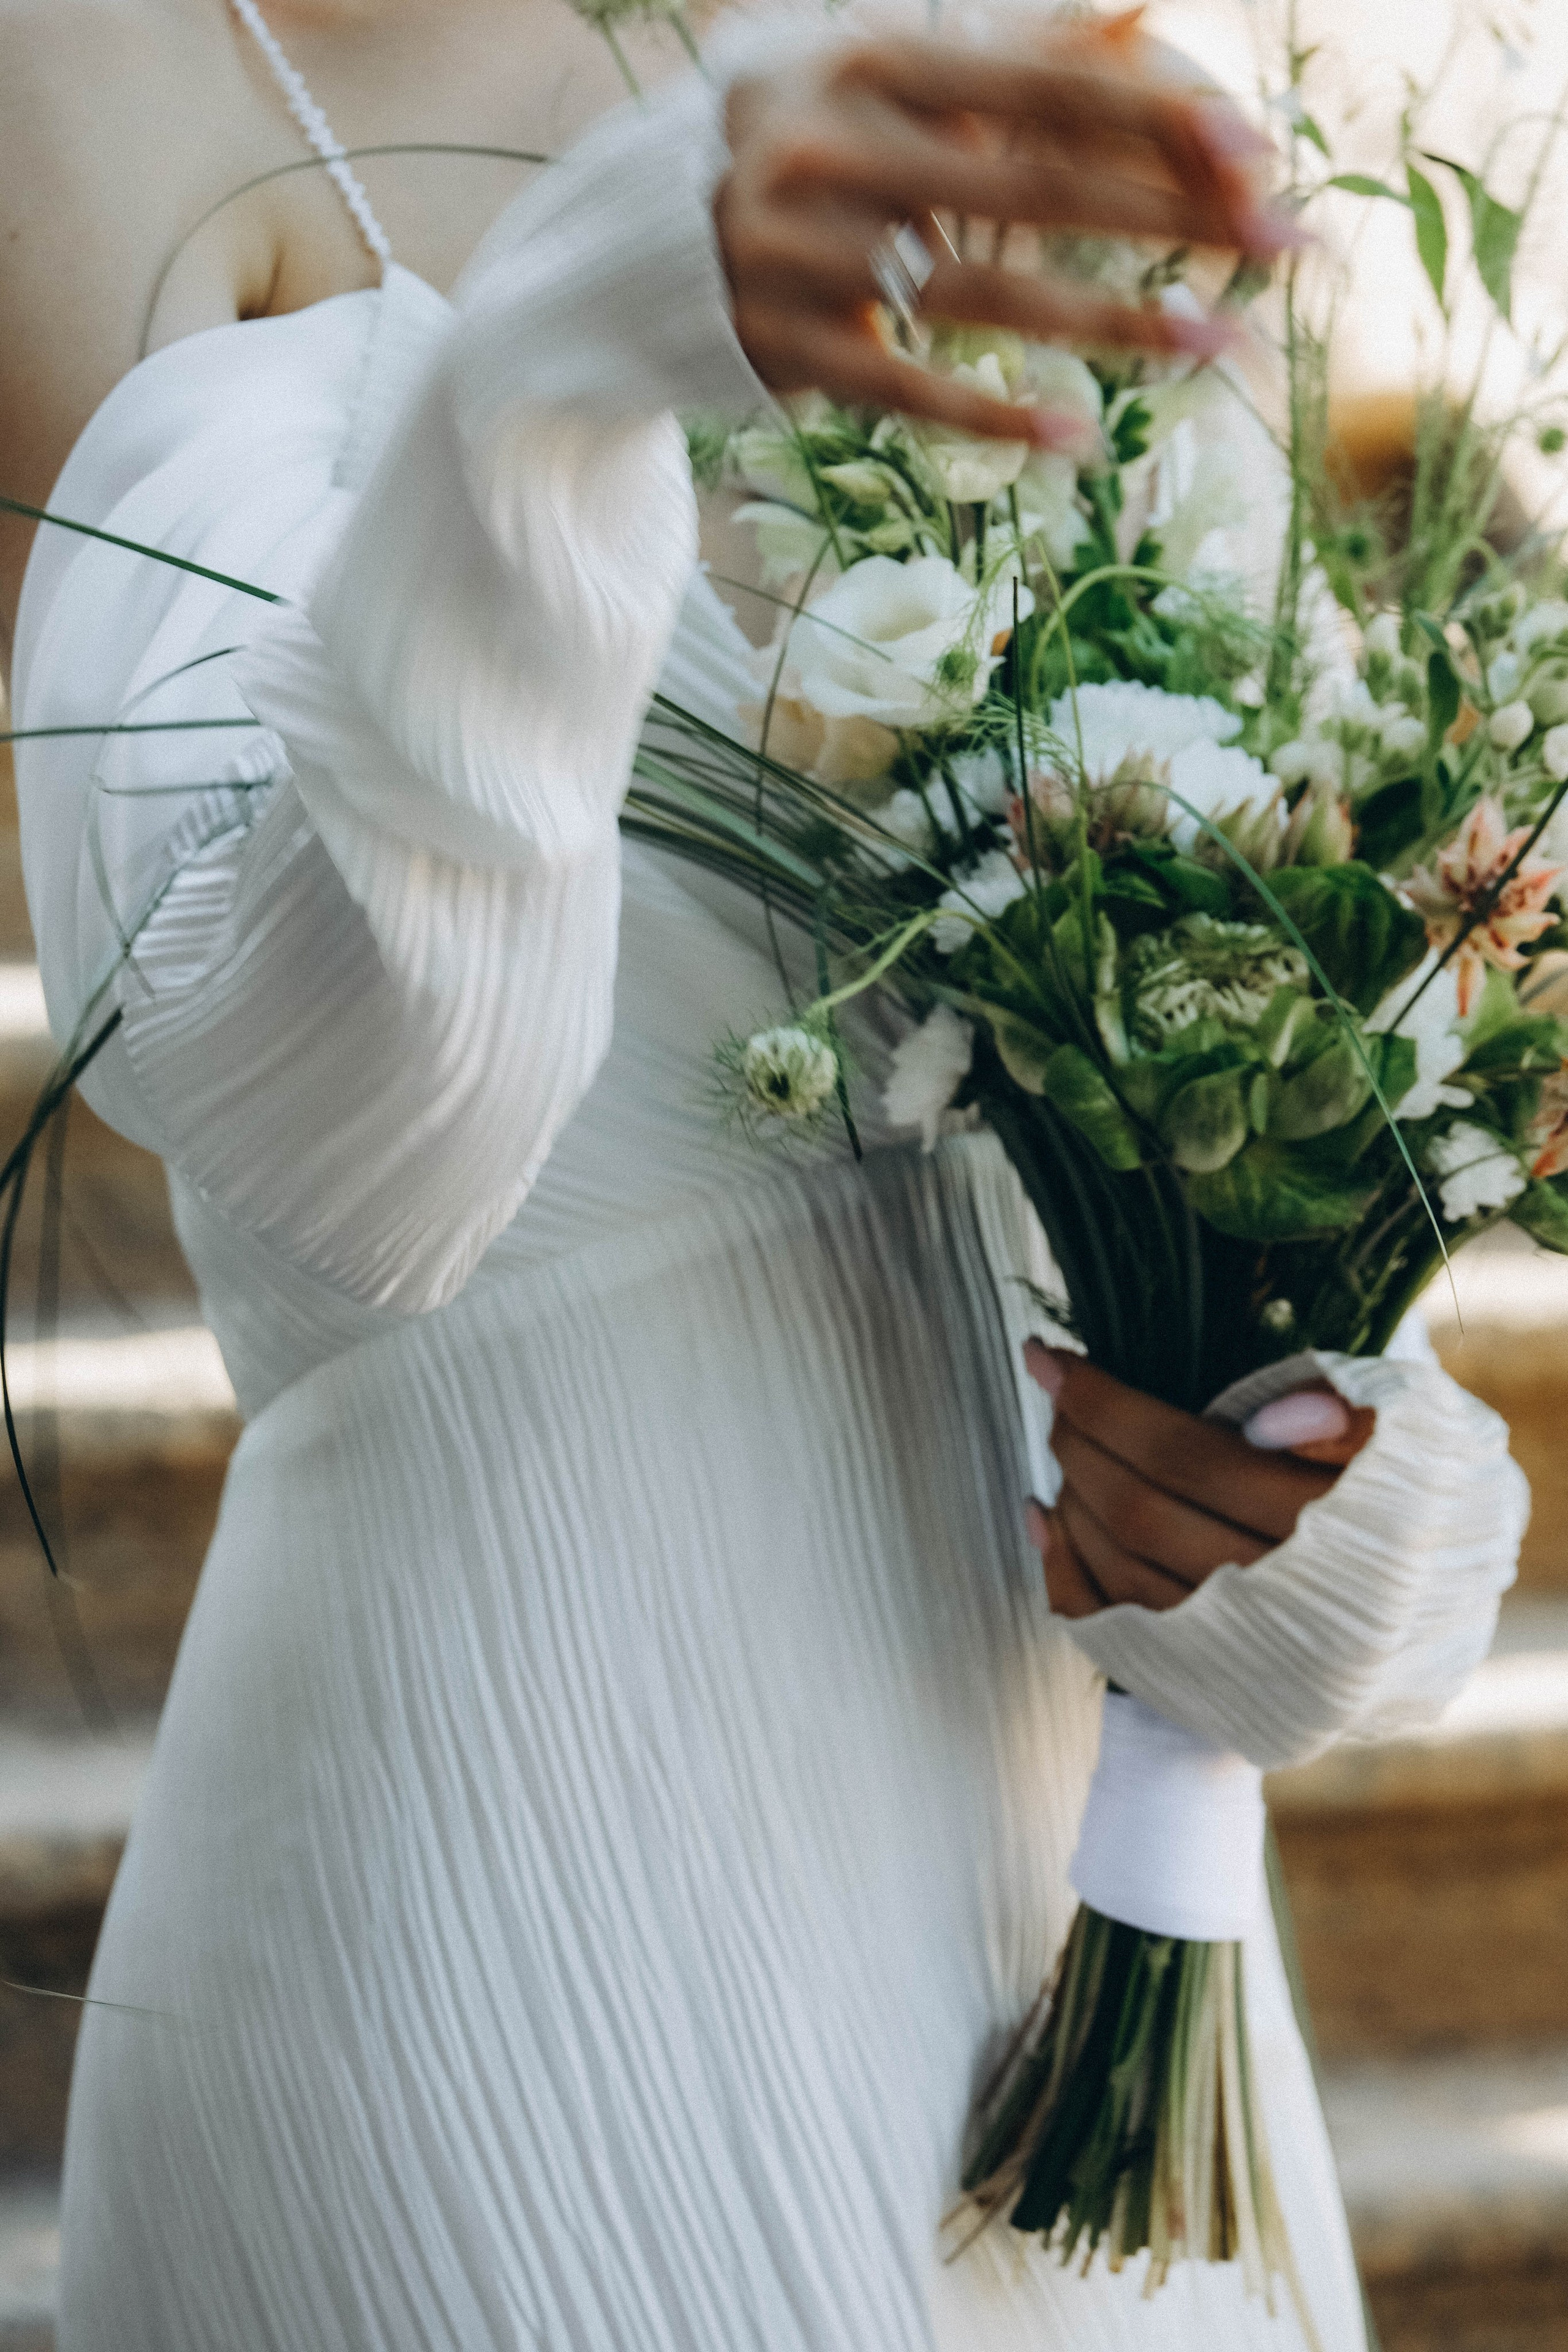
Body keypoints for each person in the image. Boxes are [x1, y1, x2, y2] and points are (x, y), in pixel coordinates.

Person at [0, 2, 1521, 2345]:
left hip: (1069, 1993)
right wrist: (564, 360)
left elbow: (1339, 1000)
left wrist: (1298, 1486)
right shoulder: (84, 84)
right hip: (497, 1966)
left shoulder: (1020, 41)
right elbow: (350, 1121)